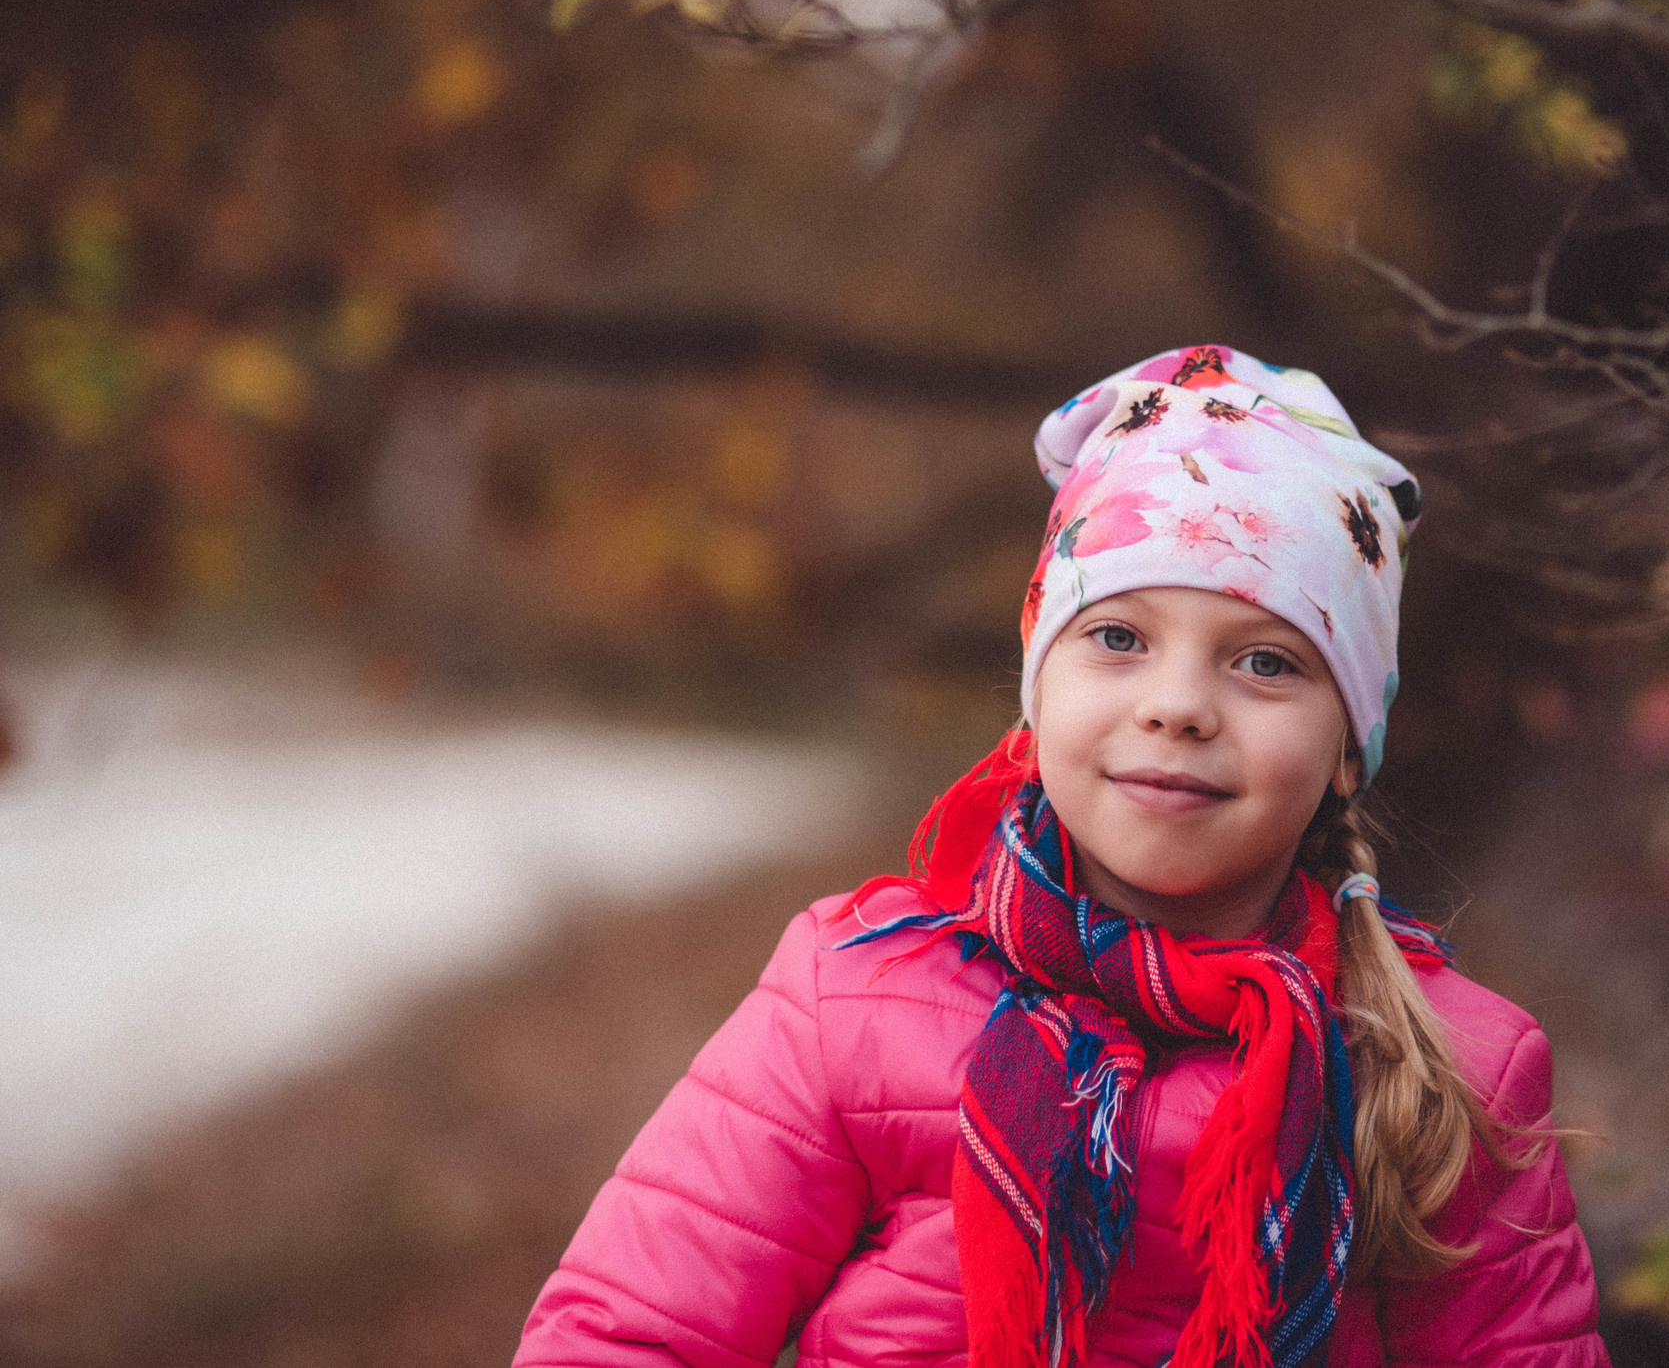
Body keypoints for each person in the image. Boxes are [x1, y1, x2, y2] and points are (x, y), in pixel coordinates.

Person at [514, 345, 1606, 1368]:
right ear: (1039, 693)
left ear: (1346, 747)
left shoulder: (1447, 1069)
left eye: (1266, 662)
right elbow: (624, 1336)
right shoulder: (852, 999)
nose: (1178, 705)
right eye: (1118, 637)